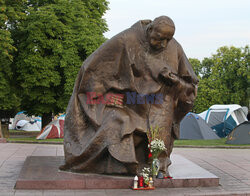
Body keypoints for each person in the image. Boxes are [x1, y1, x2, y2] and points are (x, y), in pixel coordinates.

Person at [60, 16, 198, 177]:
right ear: (150, 29)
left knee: (163, 114)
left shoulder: (174, 48)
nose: (163, 45)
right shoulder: (126, 39)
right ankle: (123, 164)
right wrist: (104, 97)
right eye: (159, 39)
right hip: (128, 103)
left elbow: (190, 86)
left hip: (158, 105)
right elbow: (91, 69)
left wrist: (176, 81)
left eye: (168, 39)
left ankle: (157, 164)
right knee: (118, 121)